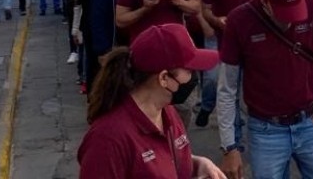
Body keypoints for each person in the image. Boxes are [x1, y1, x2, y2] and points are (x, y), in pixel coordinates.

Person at [217, 0, 313, 179]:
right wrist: (229, 146)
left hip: (311, 122)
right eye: (283, 12)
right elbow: (227, 88)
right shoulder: (240, 20)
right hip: (266, 130)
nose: (290, 20)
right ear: (263, 0)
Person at [77, 23, 224, 179]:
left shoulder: (166, 112)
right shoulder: (107, 140)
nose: (194, 77)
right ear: (163, 78)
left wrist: (196, 164)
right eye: (188, 70)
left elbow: (161, 162)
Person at [195, 0, 264, 129]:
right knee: (215, 81)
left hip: (251, 40)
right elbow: (203, 7)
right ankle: (212, 110)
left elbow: (264, 1)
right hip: (221, 38)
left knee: (247, 86)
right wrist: (214, 21)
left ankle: (245, 126)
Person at [73, 0, 117, 93]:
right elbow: (97, 16)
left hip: (89, 33)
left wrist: (75, 29)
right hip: (100, 38)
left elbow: (76, 7)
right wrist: (103, 47)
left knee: (90, 67)